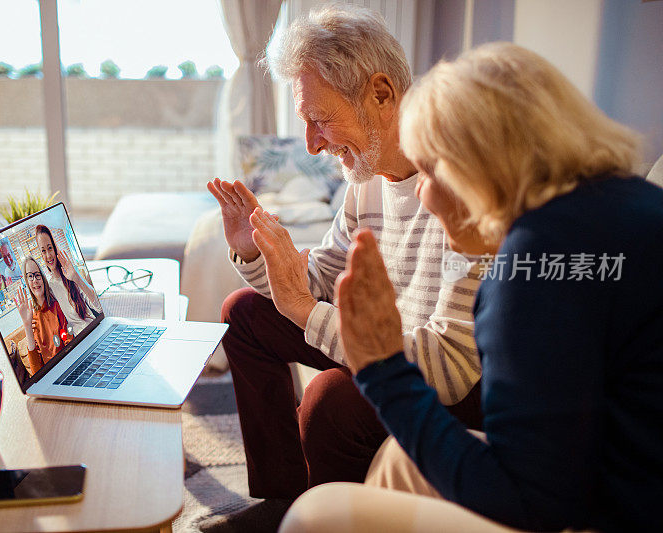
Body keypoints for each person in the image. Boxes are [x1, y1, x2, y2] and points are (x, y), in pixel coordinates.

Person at [281, 42, 663, 532]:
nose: (418, 190)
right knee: (400, 461)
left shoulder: (530, 266)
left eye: (427, 169)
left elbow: (528, 501)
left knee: (316, 516)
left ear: (474, 167)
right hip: (613, 469)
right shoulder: (629, 203)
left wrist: (382, 367)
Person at [202, 5, 485, 530]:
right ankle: (283, 502)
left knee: (330, 398)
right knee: (243, 313)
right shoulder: (366, 178)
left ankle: (340, 518)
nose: (311, 143)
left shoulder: (463, 187)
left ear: (381, 94)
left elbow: (448, 370)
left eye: (319, 119)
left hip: (458, 382)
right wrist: (255, 252)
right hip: (382, 342)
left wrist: (308, 312)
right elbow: (316, 281)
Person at [34, 224, 99, 336]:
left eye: (50, 248)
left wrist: (77, 278)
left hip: (94, 328)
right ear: (41, 254)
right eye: (43, 251)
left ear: (55, 248)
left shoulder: (71, 273)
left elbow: (98, 307)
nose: (48, 255)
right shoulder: (50, 288)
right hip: (78, 340)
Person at [14, 257, 70, 374]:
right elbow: (36, 372)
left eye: (37, 275)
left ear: (43, 277)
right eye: (30, 276)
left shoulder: (57, 307)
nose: (35, 280)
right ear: (27, 282)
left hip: (67, 367)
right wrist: (27, 326)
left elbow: (68, 341)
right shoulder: (31, 319)